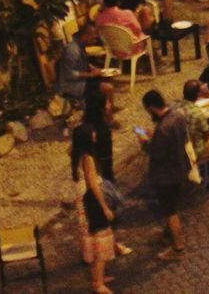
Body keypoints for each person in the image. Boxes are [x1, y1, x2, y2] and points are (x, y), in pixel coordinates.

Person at [138, 89, 190, 261]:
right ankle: (168, 235)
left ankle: (178, 248)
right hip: (180, 168)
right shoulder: (178, 116)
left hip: (166, 175)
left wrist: (145, 143)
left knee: (171, 211)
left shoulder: (163, 129)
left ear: (151, 108)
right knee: (173, 205)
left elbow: (157, 153)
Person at [70, 114, 119, 293]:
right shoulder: (88, 158)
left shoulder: (76, 155)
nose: (95, 135)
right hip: (92, 202)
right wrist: (105, 207)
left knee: (93, 241)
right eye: (92, 133)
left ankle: (98, 276)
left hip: (84, 202)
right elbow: (92, 184)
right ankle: (98, 284)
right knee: (101, 242)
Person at [58, 23, 104, 112]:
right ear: (86, 36)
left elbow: (80, 63)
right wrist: (91, 74)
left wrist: (92, 67)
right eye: (94, 38)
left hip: (78, 80)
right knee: (106, 88)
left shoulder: (80, 45)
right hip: (71, 85)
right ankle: (104, 114)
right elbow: (69, 74)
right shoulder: (72, 50)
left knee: (104, 80)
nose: (95, 40)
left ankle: (104, 109)